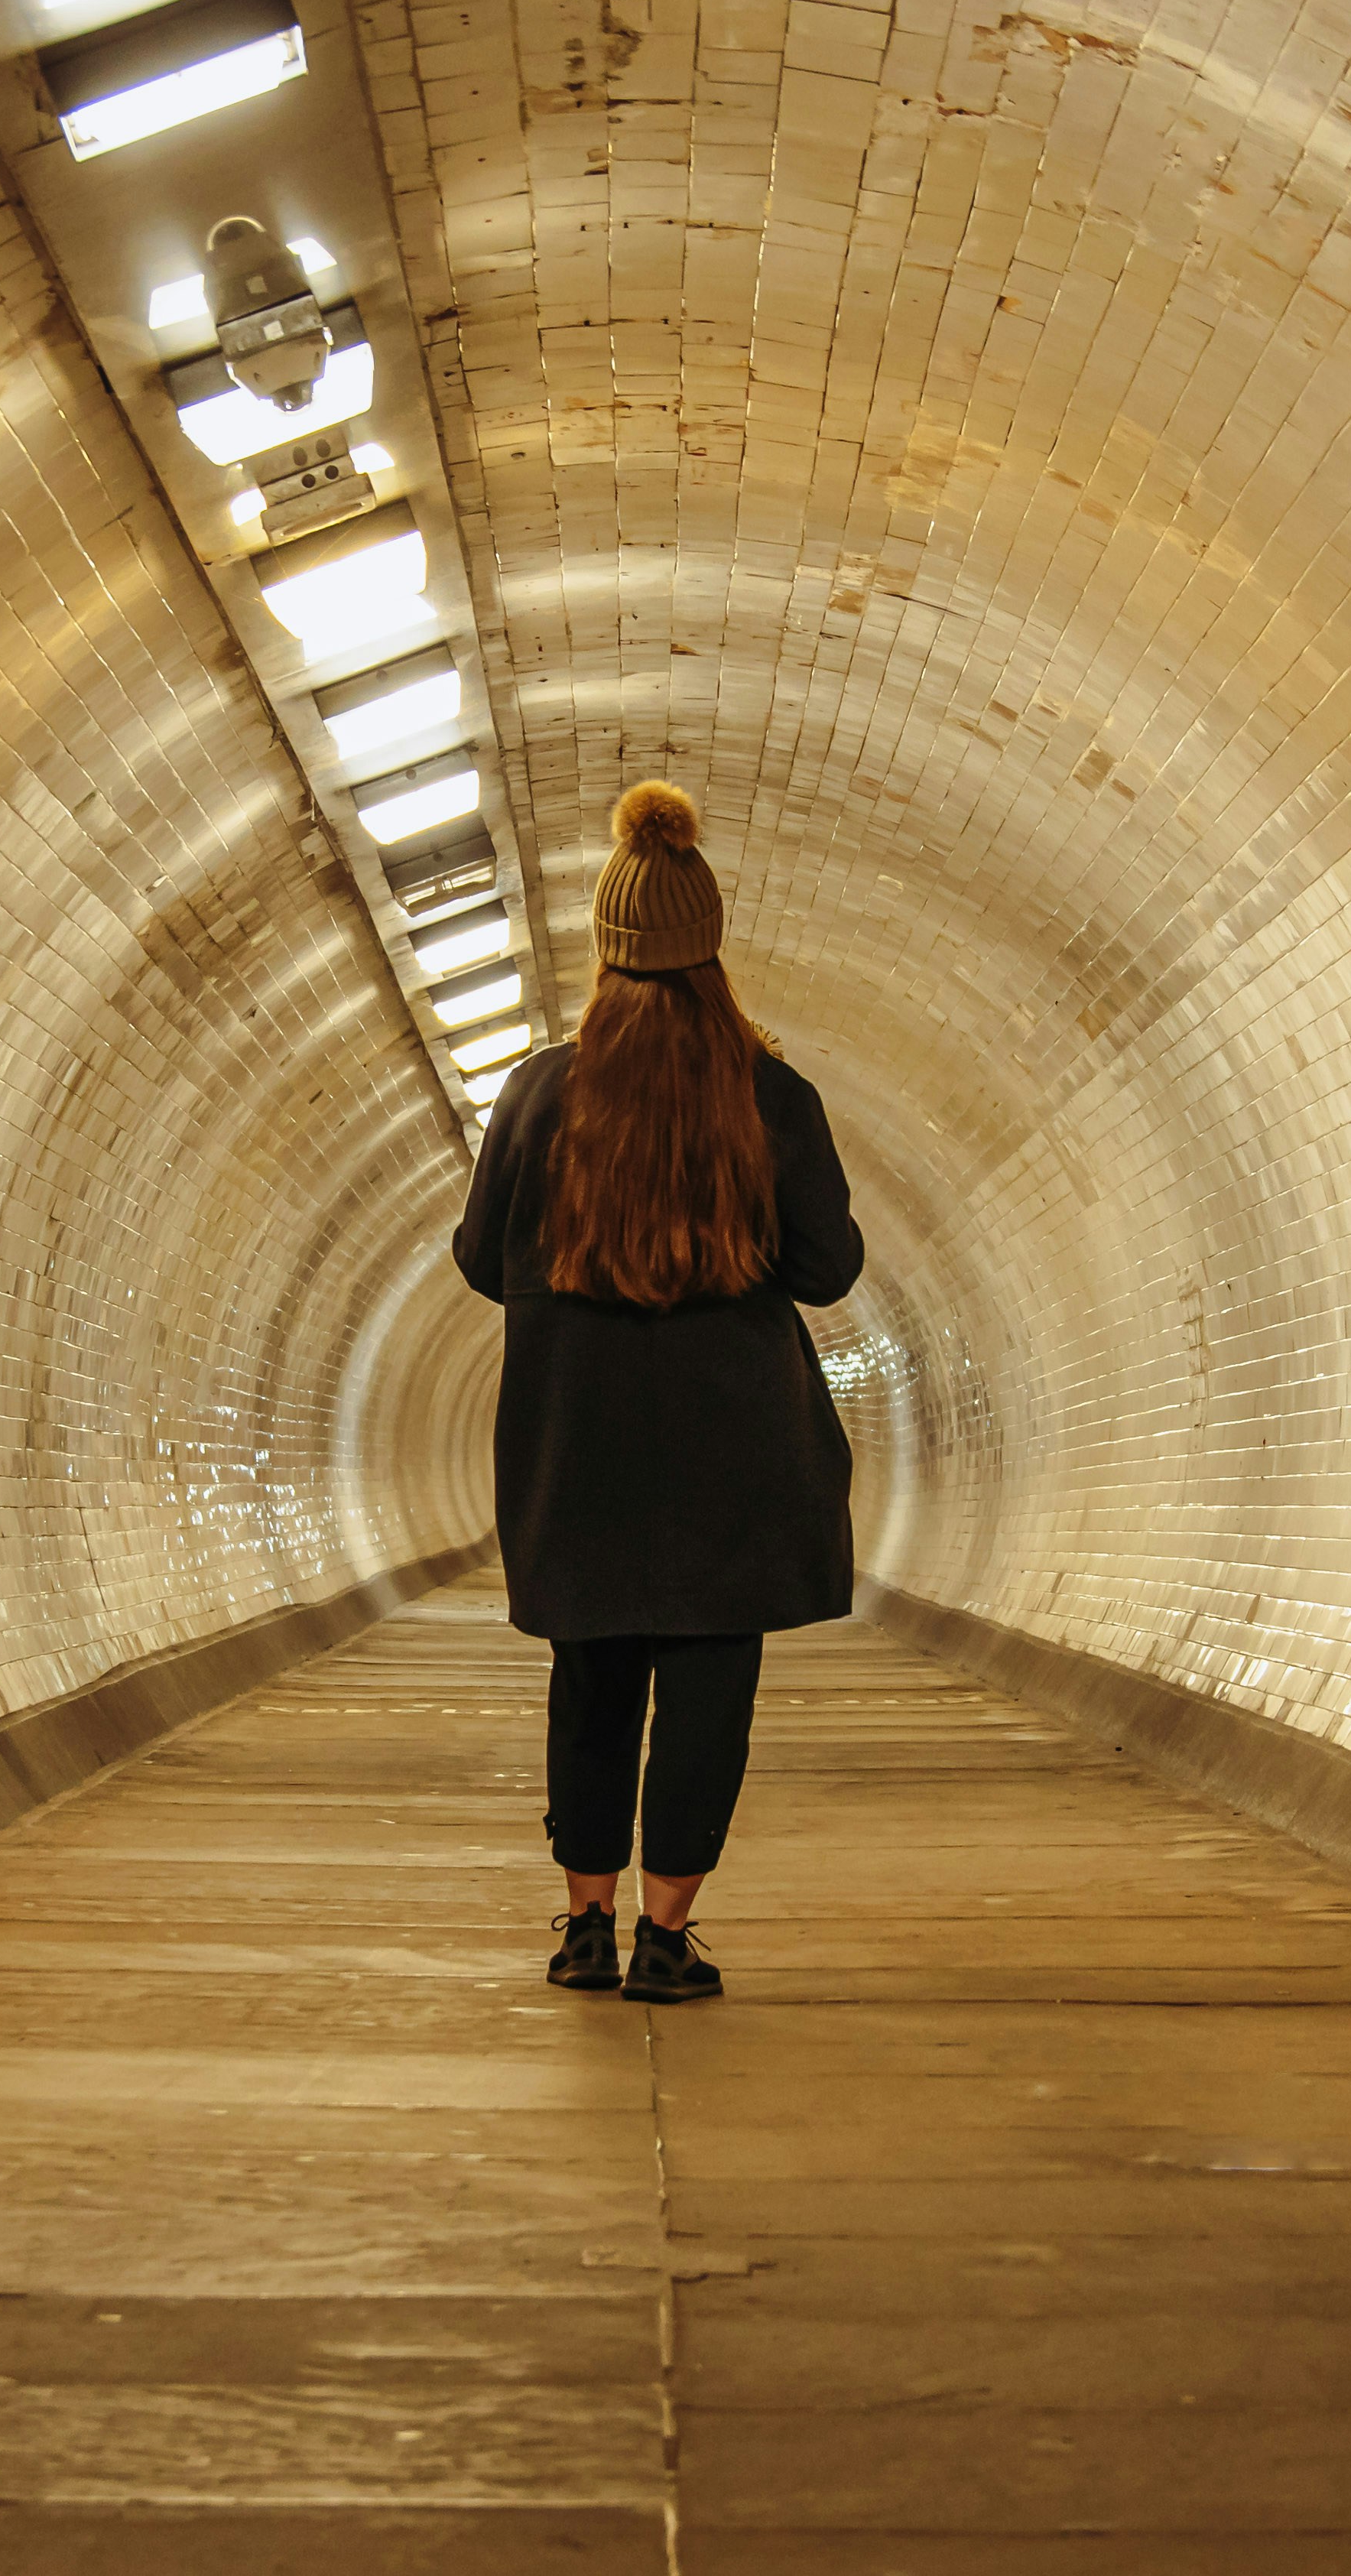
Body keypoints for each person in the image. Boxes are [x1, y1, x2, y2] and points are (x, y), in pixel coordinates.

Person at [450, 781, 866, 2004]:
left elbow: (482, 1260)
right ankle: (664, 1941)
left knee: (587, 1684)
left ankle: (580, 1926)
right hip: (734, 1450)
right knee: (703, 1697)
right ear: (708, 946)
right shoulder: (769, 1098)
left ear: (609, 948)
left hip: (573, 1443)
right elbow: (825, 1266)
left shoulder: (537, 1093)